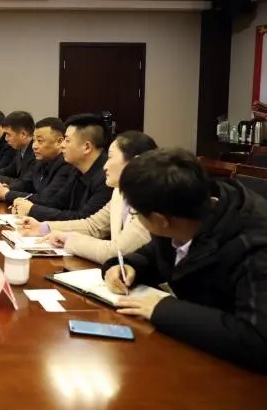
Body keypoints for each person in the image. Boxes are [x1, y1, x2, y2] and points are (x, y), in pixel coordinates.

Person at [102, 148, 267, 372]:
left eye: (136, 214)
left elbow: (256, 340)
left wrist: (163, 310)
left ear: (160, 220)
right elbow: (156, 254)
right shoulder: (184, 211)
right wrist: (128, 266)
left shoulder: (254, 246)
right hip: (197, 350)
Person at [18, 131, 157, 263]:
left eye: (110, 157)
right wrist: (43, 228)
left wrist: (68, 240)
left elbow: (116, 252)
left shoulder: (151, 203)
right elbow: (93, 226)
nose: (105, 166)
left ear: (134, 163)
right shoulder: (119, 192)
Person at [13, 113, 112, 220]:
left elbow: (83, 219)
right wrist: (24, 204)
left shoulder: (107, 178)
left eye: (67, 140)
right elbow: (57, 202)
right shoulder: (75, 169)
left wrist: (32, 209)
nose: (62, 145)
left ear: (87, 147)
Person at [0, 117, 74, 204]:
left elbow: (46, 199)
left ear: (59, 141)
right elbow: (27, 184)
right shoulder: (41, 161)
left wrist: (7, 194)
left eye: (40, 141)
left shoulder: (66, 164)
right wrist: (7, 188)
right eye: (34, 140)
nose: (34, 146)